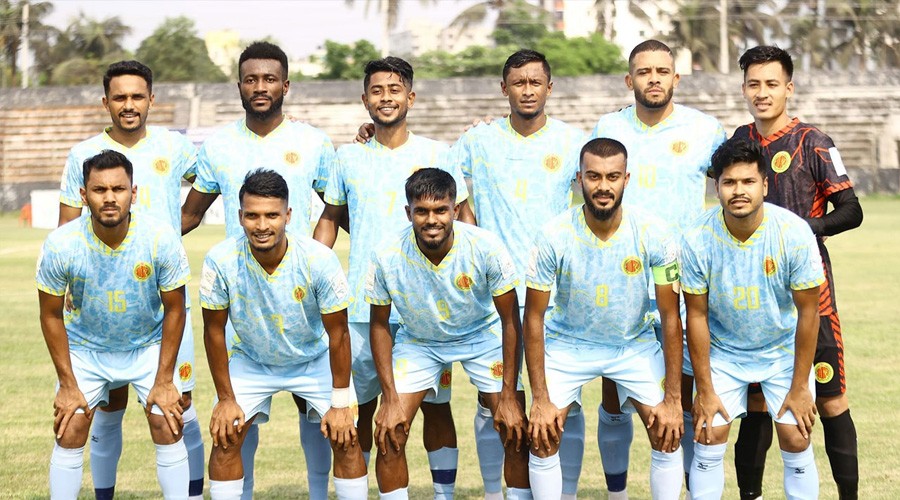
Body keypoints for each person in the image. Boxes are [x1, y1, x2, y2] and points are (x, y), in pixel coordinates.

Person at [181, 41, 337, 499]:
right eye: (251, 79)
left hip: (302, 299)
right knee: (235, 420)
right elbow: (190, 214)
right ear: (239, 87)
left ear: (286, 85)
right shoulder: (219, 145)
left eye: (269, 79)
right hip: (243, 300)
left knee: (316, 411)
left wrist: (315, 258)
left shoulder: (313, 141)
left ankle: (317, 493)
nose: (260, 86)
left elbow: (335, 207)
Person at [313, 56, 469, 499]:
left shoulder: (438, 154)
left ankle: (443, 495)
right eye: (377, 91)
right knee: (360, 411)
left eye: (394, 89)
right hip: (363, 310)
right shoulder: (348, 157)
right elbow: (331, 218)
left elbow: (465, 222)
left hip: (426, 312)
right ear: (365, 100)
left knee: (436, 409)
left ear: (411, 97)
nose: (386, 98)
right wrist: (311, 269)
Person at [56, 60, 204, 499]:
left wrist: (175, 230)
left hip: (163, 303)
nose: (129, 105)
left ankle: (192, 493)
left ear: (151, 99)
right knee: (106, 406)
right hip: (100, 308)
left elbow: (216, 182)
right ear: (105, 102)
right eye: (119, 97)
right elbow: (66, 227)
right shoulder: (83, 154)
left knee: (178, 405)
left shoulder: (175, 147)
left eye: (137, 96)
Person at [588, 39, 727, 498]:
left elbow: (737, 182)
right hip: (620, 281)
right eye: (644, 72)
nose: (653, 79)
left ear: (675, 78)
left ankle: (684, 486)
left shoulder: (704, 129)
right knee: (614, 394)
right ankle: (617, 492)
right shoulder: (608, 127)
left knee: (680, 392)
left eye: (662, 71)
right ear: (629, 80)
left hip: (682, 282)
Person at [450, 49, 588, 500]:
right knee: (495, 397)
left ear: (549, 87)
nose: (527, 90)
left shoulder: (572, 142)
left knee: (563, 401)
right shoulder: (479, 140)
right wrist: (472, 231)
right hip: (495, 295)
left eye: (535, 82)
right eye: (518, 83)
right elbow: (445, 180)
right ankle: (497, 493)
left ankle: (565, 493)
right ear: (503, 88)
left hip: (556, 294)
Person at [731, 45, 863, 500]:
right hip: (754, 297)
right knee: (756, 404)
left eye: (771, 84)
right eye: (753, 84)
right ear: (743, 89)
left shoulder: (813, 141)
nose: (762, 93)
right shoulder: (740, 140)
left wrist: (805, 227)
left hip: (811, 294)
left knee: (830, 399)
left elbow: (851, 210)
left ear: (789, 88)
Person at [524, 138, 684, 500]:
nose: (603, 186)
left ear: (626, 179)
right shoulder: (552, 235)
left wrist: (673, 398)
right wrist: (540, 398)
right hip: (568, 344)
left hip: (632, 344)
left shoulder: (655, 233)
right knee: (543, 434)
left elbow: (670, 316)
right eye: (594, 176)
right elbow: (533, 317)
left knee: (667, 431)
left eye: (612, 177)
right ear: (579, 178)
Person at [201, 169, 367, 499]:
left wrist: (339, 404)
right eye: (252, 216)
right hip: (252, 359)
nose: (262, 225)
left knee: (347, 437)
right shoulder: (220, 260)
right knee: (225, 436)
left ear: (288, 215)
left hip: (314, 358)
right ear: (240, 216)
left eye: (272, 215)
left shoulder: (318, 259)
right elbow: (213, 330)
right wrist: (226, 399)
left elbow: (339, 335)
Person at [366, 168, 530, 500]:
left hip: (481, 335)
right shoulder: (386, 254)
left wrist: (509, 396)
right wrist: (390, 399)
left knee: (515, 429)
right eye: (422, 211)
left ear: (455, 210)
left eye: (440, 210)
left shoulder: (485, 246)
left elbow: (510, 319)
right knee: (389, 432)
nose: (432, 220)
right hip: (420, 341)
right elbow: (379, 325)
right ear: (408, 212)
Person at [37, 150, 191, 498]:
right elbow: (50, 315)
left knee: (167, 422)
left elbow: (175, 309)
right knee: (70, 425)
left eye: (118, 189)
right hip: (86, 348)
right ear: (83, 195)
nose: (109, 198)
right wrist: (67, 383)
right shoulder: (61, 244)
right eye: (99, 189)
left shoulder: (159, 237)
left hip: (147, 345)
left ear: (133, 193)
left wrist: (164, 379)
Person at [681, 137, 823, 499]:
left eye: (748, 181)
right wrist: (705, 390)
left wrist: (800, 387)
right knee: (708, 432)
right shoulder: (696, 237)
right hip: (724, 352)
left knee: (796, 434)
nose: (739, 191)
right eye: (729, 182)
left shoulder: (793, 233)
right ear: (716, 187)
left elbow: (809, 312)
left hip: (781, 350)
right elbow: (696, 315)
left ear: (765, 185)